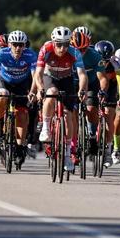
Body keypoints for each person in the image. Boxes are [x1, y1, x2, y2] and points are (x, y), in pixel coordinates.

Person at [35, 26, 88, 172]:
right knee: (51, 93)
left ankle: (66, 153)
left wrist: (82, 90)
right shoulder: (46, 48)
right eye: (59, 44)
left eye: (65, 44)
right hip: (49, 77)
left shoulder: (74, 52)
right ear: (53, 42)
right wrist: (40, 88)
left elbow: (82, 74)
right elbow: (38, 73)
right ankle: (46, 127)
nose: (62, 48)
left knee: (68, 115)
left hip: (66, 79)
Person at [0, 30, 38, 167]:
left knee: (22, 114)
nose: (17, 48)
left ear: (24, 45)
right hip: (5, 82)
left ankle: (20, 146)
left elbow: (35, 76)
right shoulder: (2, 53)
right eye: (15, 44)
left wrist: (33, 92)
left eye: (20, 45)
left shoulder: (30, 54)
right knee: (2, 94)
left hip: (22, 83)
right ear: (9, 44)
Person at [71, 29, 104, 157]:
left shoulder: (95, 55)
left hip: (91, 84)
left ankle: (91, 135)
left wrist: (102, 92)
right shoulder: (67, 54)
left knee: (91, 109)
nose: (80, 52)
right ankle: (73, 142)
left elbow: (102, 78)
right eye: (77, 49)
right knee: (71, 113)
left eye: (84, 49)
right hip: (72, 83)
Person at [95, 40, 120, 167]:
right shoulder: (92, 61)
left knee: (109, 115)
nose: (104, 63)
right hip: (95, 85)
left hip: (111, 88)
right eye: (102, 59)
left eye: (107, 59)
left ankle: (108, 149)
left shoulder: (115, 64)